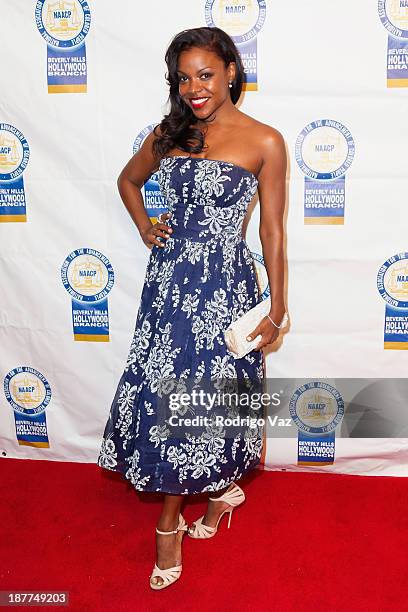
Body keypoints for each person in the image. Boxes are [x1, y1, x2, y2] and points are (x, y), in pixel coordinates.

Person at [97, 26, 287, 590]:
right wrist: (145, 226)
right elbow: (128, 181)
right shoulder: (171, 132)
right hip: (168, 287)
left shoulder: (265, 141)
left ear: (231, 69)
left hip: (225, 288)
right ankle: (219, 493)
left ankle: (170, 522)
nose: (193, 88)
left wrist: (278, 307)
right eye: (183, 78)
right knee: (167, 394)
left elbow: (273, 232)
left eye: (205, 74)